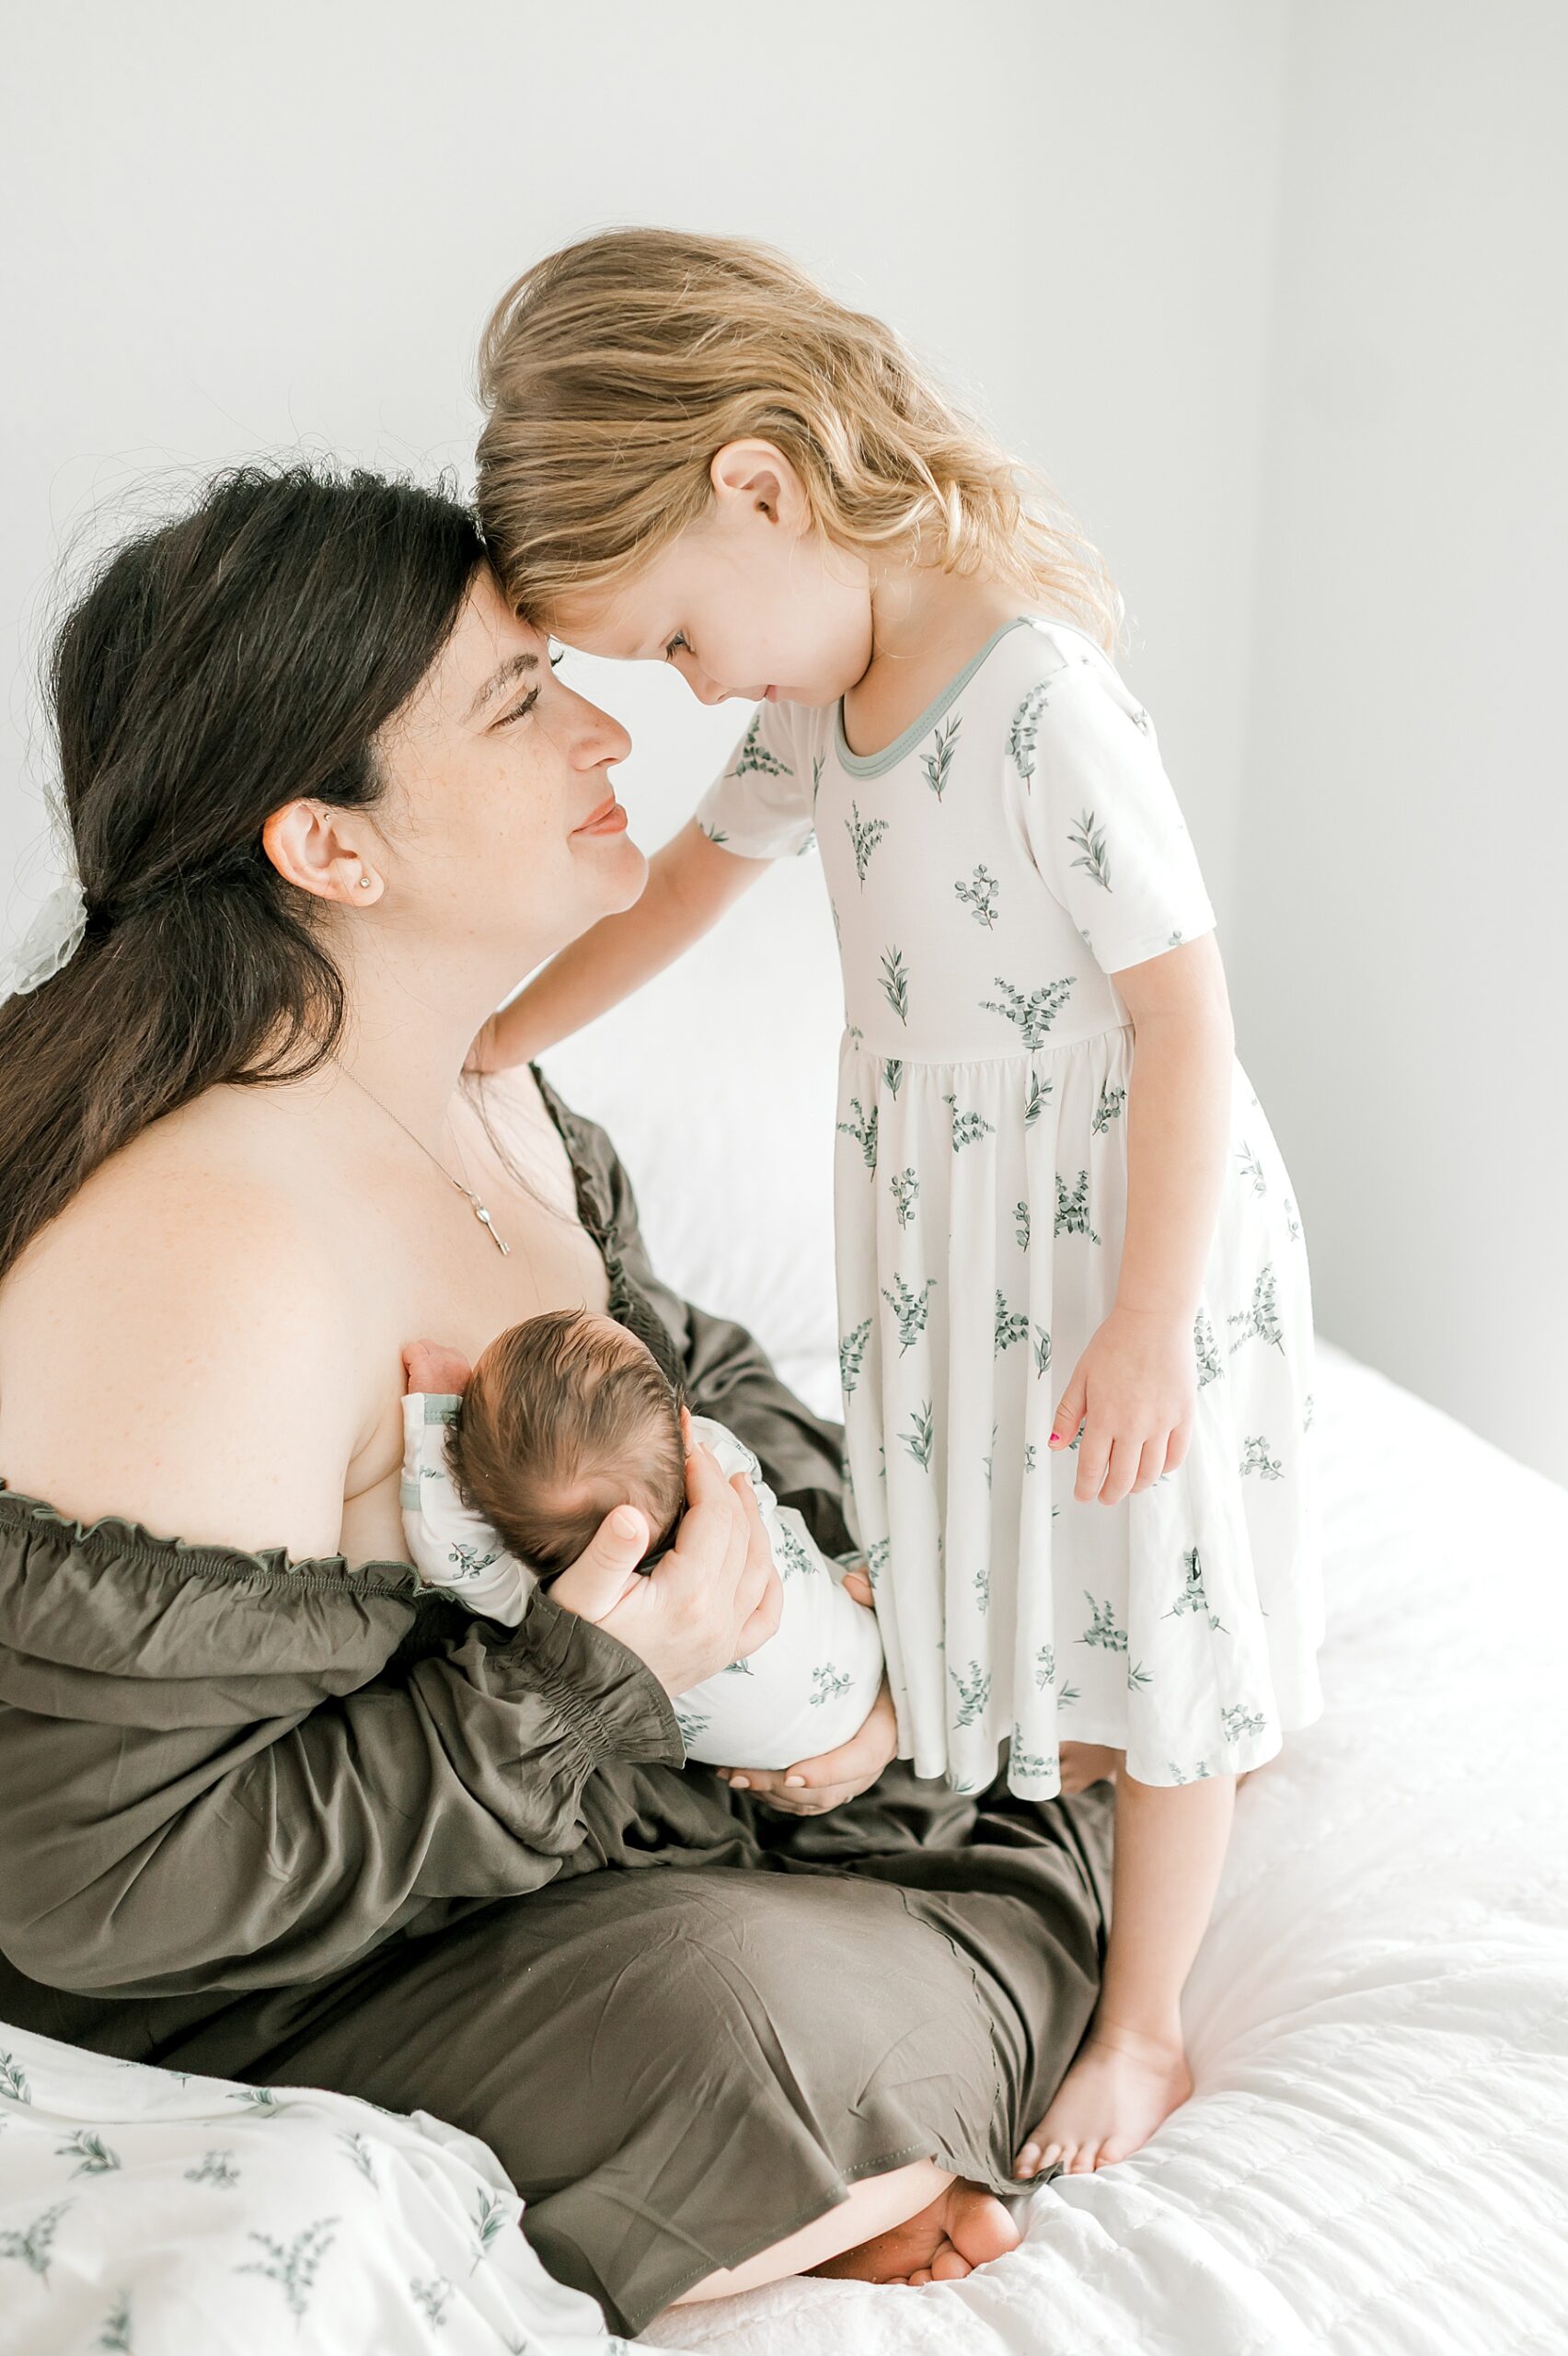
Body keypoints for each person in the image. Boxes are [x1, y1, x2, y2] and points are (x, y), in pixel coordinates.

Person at [0, 463, 1117, 2338]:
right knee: (746, 2023)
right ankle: (800, 2154)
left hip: (521, 1838)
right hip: (259, 1949)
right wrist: (590, 1696)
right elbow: (95, 1881)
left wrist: (852, 1611)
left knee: (1033, 1780)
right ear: (328, 847)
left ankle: (845, 2124)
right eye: (521, 701)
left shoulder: (480, 1074)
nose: (611, 721)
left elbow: (683, 1364)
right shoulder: (216, 1253)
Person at [468, 227, 1325, 2180]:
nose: (688, 686)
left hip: (1121, 1222)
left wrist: (1142, 1321)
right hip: (964, 1229)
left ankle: (1148, 2022)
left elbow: (1184, 1016)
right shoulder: (818, 705)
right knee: (1017, 1538)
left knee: (1156, 1573)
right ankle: (1093, 1730)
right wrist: (485, 1038)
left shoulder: (1034, 693)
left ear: (760, 485)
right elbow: (688, 887)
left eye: (679, 636)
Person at [398, 1315, 886, 1765]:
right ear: (683, 1424)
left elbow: (450, 1551)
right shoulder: (719, 1462)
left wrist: (440, 1416)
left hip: (794, 1754)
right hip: (864, 1638)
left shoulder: (560, 1619)